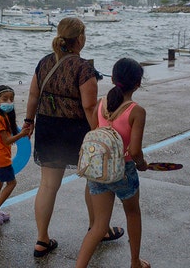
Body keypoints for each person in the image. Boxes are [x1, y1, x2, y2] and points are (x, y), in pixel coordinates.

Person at [23, 17, 123, 258]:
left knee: (47, 185)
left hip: (48, 127)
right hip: (76, 131)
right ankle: (97, 229)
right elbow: (89, 107)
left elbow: (33, 95)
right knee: (93, 181)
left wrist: (28, 121)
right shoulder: (83, 68)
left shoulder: (44, 63)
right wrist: (101, 134)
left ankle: (42, 239)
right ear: (79, 39)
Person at [76, 58, 150, 268]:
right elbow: (134, 151)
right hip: (123, 170)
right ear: (137, 84)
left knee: (99, 226)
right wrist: (142, 164)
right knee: (133, 213)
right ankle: (135, 262)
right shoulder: (136, 111)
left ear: (113, 78)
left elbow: (94, 131)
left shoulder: (100, 104)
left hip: (98, 170)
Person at [0, 85, 31, 225]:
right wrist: (22, 134)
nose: (9, 101)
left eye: (12, 98)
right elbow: (6, 141)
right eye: (5, 99)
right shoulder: (1, 118)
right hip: (0, 160)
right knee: (11, 183)